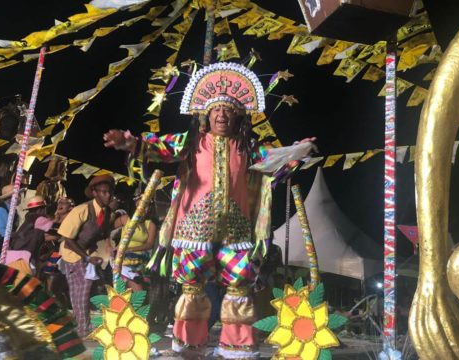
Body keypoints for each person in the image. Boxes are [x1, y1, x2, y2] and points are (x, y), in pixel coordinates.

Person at [104, 62, 314, 359]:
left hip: (236, 233)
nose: (222, 115)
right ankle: (189, 348)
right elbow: (160, 148)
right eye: (216, 110)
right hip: (192, 233)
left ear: (238, 114)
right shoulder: (192, 142)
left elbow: (275, 161)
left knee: (240, 289)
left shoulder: (249, 147)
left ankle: (237, 348)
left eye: (228, 110)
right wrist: (132, 143)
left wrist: (296, 151)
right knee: (191, 291)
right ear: (206, 113)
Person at [57, 175, 114, 337]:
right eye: (103, 192)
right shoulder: (81, 210)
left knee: (86, 290)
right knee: (80, 292)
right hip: (72, 254)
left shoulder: (107, 212)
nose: (107, 196)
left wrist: (110, 249)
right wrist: (86, 257)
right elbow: (68, 239)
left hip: (89, 255)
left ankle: (83, 326)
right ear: (94, 193)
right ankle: (83, 328)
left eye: (109, 192)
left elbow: (104, 234)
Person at [8, 195, 57, 275]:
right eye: (44, 208)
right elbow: (58, 229)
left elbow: (42, 237)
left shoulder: (29, 220)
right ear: (40, 209)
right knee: (25, 285)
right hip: (22, 258)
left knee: (13, 284)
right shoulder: (38, 219)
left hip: (14, 256)